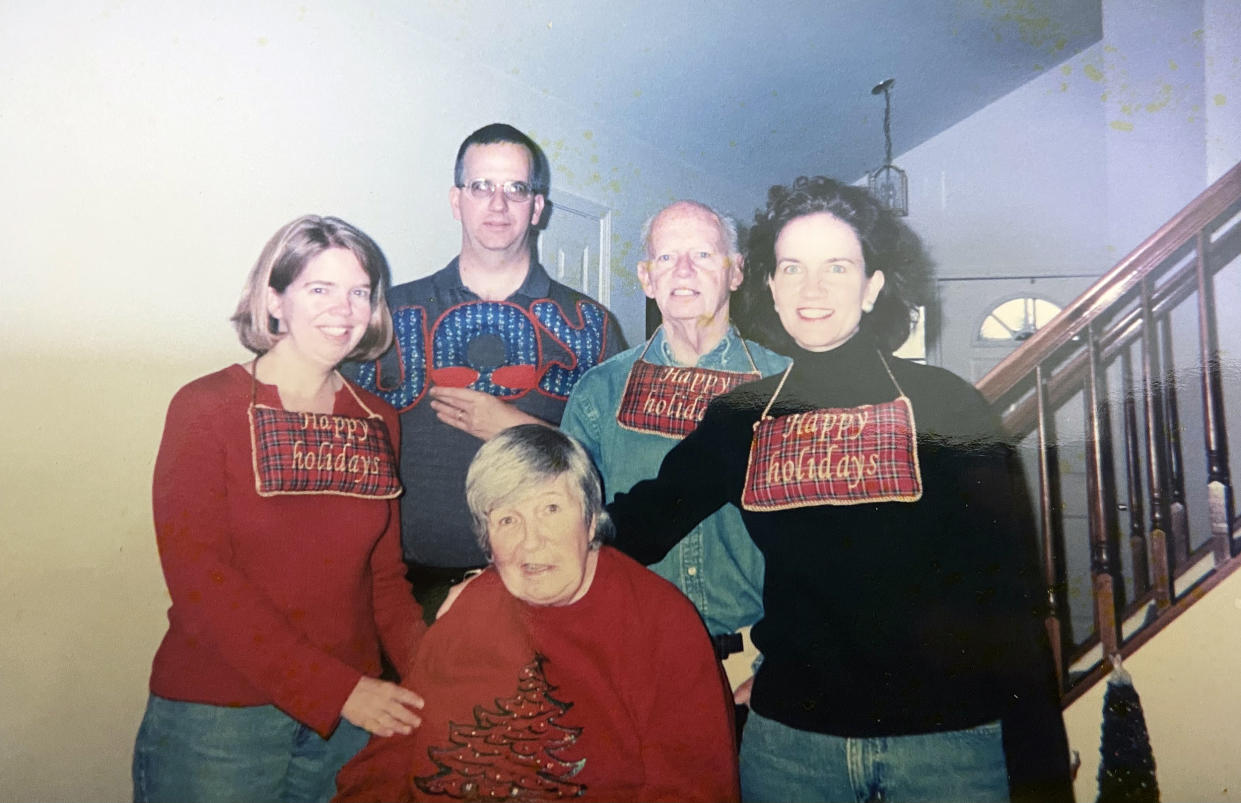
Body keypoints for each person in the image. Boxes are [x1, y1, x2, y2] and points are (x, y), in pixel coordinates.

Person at [608, 177, 1073, 803]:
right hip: (792, 753)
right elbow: (640, 520)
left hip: (946, 749)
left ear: (872, 284)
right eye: (793, 267)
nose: (813, 289)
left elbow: (1010, 594)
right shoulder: (743, 415)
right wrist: (508, 564)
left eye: (837, 266)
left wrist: (1040, 774)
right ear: (769, 285)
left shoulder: (946, 405)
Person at [133, 216, 427, 803]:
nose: (343, 309)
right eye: (319, 288)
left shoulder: (376, 418)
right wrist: (338, 689)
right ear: (274, 299)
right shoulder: (206, 407)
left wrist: (439, 672)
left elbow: (385, 581)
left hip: (346, 723)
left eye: (359, 292)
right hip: (219, 720)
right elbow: (201, 584)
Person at [334, 424, 739, 802]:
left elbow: (693, 789)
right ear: (487, 541)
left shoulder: (660, 623)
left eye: (550, 509)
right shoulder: (470, 609)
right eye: (508, 519)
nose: (531, 542)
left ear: (590, 517)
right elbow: (394, 749)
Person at [348, 123, 626, 620]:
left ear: (537, 207)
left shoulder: (592, 326)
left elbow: (618, 468)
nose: (498, 205)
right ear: (457, 200)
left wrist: (518, 429)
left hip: (546, 589)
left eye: (516, 189)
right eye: (482, 187)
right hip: (409, 592)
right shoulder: (390, 311)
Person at [560, 200, 789, 704]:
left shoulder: (787, 385)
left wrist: (783, 670)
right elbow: (569, 528)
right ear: (646, 277)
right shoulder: (600, 390)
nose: (683, 271)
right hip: (632, 663)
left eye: (704, 255)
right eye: (666, 258)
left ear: (735, 272)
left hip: (759, 668)